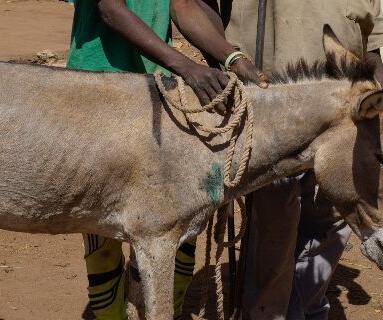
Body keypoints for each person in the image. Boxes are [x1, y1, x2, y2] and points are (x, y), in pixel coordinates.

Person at [65, 1, 267, 319]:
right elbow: (110, 9)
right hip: (95, 94)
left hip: (154, 91)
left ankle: (154, 309)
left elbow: (183, 5)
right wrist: (186, 67)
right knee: (102, 229)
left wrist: (231, 58)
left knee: (177, 222)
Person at [197, 1, 383, 319]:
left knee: (332, 221)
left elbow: (369, 42)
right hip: (277, 114)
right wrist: (226, 58)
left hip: (345, 121)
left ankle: (305, 309)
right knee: (275, 223)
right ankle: (266, 312)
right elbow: (196, 7)